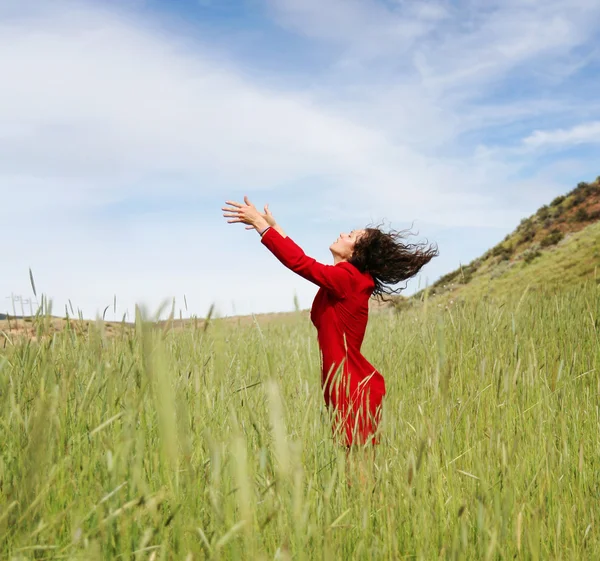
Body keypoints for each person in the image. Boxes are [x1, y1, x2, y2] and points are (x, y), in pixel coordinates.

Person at [222, 196, 438, 448]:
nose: (342, 233)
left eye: (351, 235)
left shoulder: (349, 279)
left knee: (358, 469)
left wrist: (261, 224)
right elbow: (303, 259)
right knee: (352, 467)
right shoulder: (343, 281)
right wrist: (275, 227)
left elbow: (300, 263)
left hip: (352, 387)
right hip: (342, 384)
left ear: (356, 252)